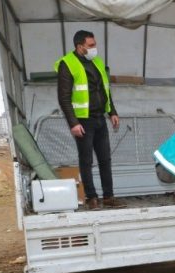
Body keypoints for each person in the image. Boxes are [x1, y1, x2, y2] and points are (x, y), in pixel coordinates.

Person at [56, 30, 123, 210]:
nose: (95, 48)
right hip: (82, 121)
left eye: (95, 44)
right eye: (91, 45)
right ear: (80, 47)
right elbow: (64, 98)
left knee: (105, 159)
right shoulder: (67, 64)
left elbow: (105, 89)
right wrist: (73, 123)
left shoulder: (97, 62)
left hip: (100, 118)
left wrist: (112, 112)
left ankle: (108, 196)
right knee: (86, 160)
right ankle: (91, 198)